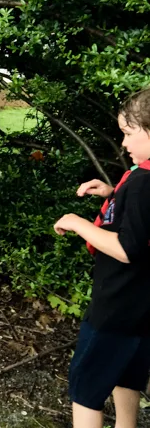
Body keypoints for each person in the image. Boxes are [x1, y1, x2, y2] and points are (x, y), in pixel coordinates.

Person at [54, 89, 150, 428]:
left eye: (129, 133)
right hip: (142, 307)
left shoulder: (142, 184)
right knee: (128, 374)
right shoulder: (141, 182)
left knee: (86, 389)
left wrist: (77, 223)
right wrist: (113, 194)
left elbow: (128, 248)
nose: (123, 144)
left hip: (116, 306)